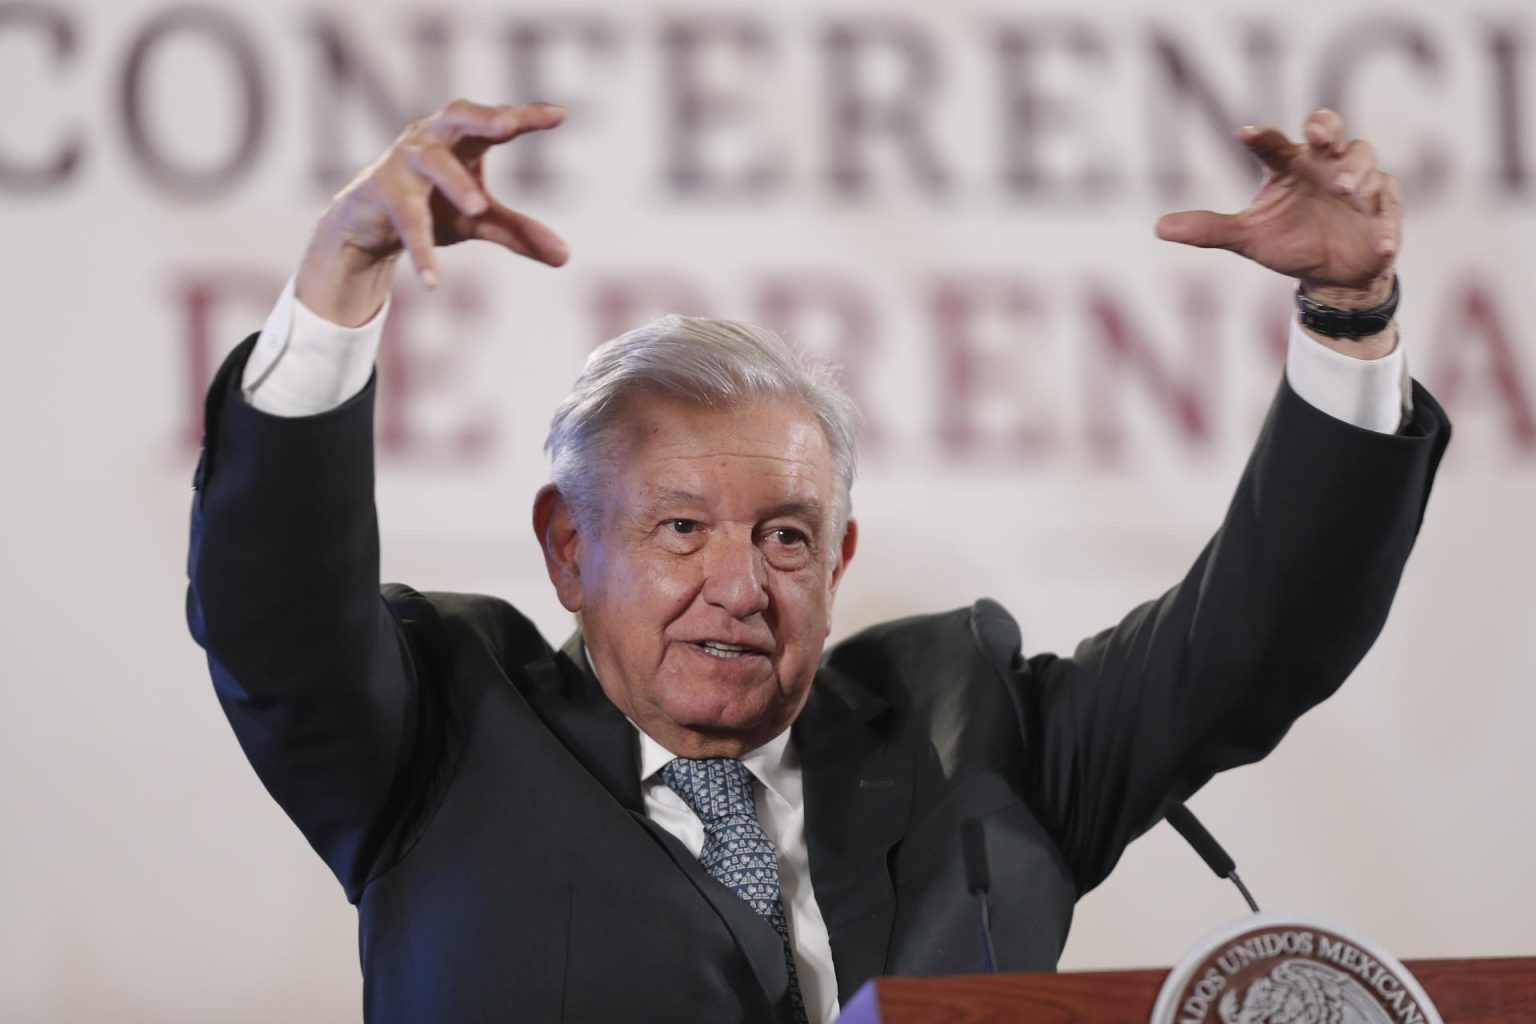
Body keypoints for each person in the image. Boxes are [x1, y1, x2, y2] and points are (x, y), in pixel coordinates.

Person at [186, 100, 1449, 1024]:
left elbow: (1260, 635)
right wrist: (339, 285)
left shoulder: (974, 729)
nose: (741, 584)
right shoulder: (442, 725)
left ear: (839, 557)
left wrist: (1351, 321)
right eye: (680, 529)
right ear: (570, 549)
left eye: (785, 535)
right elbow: (275, 617)